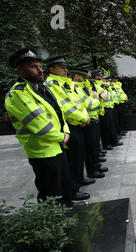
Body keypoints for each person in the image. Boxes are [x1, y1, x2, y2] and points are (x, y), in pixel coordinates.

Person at [5, 48, 73, 206]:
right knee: (51, 192)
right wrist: (62, 136)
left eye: (39, 65)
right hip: (42, 151)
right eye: (33, 66)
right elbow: (39, 125)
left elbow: (59, 112)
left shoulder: (41, 87)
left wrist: (66, 131)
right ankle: (54, 225)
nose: (39, 69)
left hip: (58, 145)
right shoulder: (17, 94)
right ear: (20, 69)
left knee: (65, 185)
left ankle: (69, 215)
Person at [44, 55, 91, 201]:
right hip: (69, 125)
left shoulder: (65, 82)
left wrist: (84, 116)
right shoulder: (52, 84)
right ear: (51, 69)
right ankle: (73, 188)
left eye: (65, 66)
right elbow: (64, 107)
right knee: (72, 160)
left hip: (78, 123)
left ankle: (78, 180)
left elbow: (79, 103)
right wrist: (83, 118)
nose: (65, 69)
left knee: (79, 156)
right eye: (61, 67)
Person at [69, 65, 104, 181]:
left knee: (94, 147)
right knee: (89, 149)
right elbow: (88, 104)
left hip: (92, 118)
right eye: (84, 76)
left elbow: (90, 101)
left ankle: (95, 168)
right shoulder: (75, 87)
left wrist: (95, 99)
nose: (86, 78)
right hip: (86, 121)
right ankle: (92, 171)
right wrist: (97, 99)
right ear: (78, 76)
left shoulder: (84, 85)